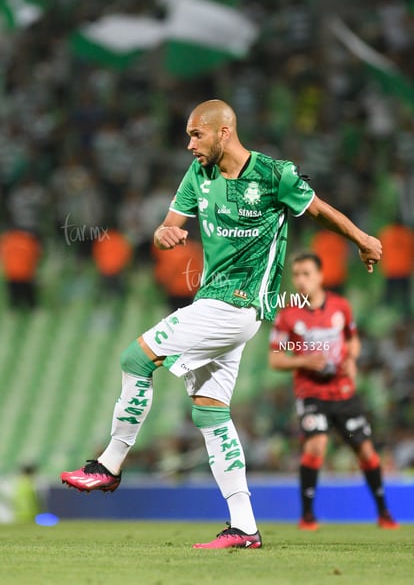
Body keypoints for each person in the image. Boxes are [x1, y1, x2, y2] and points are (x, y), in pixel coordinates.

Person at [60, 99, 382, 549]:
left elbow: (320, 212)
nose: (189, 144)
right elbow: (166, 226)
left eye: (196, 135)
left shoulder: (274, 176)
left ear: (223, 132)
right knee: (210, 413)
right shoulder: (199, 175)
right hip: (215, 303)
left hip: (238, 306)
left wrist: (364, 239)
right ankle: (245, 526)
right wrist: (163, 234)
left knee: (135, 356)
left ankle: (109, 465)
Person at [268, 251, 399, 531]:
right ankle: (307, 516)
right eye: (297, 275)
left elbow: (353, 343)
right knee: (316, 445)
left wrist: (351, 359)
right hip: (312, 394)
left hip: (343, 395)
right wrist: (303, 360)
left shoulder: (340, 307)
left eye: (307, 274)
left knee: (364, 450)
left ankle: (384, 512)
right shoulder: (287, 315)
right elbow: (275, 358)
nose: (301, 280)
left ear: (320, 277)